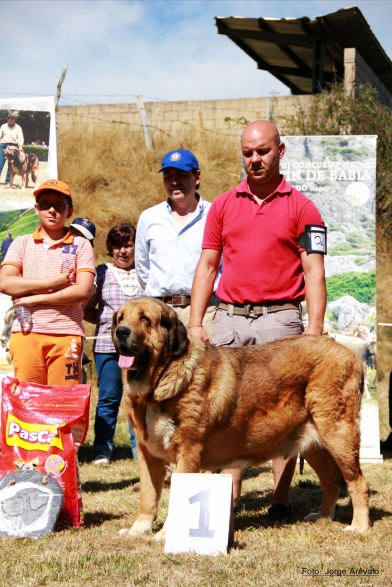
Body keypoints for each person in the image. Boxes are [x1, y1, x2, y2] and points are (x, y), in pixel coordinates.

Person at [189, 120, 327, 516]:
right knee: (228, 412)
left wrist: (313, 332)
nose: (255, 159)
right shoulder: (223, 205)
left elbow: (314, 271)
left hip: (280, 320)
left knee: (283, 411)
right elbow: (207, 264)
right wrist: (198, 322)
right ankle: (226, 503)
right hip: (229, 318)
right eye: (248, 153)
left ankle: (280, 500)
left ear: (280, 152)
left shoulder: (303, 206)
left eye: (263, 151)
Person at [0, 179, 95, 385]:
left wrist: (35, 299)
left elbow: (83, 291)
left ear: (69, 211)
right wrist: (51, 282)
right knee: (28, 405)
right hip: (26, 334)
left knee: (62, 406)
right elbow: (6, 283)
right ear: (36, 208)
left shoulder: (81, 245)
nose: (52, 210)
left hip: (67, 334)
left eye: (59, 205)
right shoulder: (20, 243)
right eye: (45, 204)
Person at [135, 149, 219, 337]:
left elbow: (223, 265)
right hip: (159, 313)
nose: (174, 181)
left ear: (196, 177)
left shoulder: (215, 215)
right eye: (168, 175)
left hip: (204, 313)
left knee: (204, 367)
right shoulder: (149, 217)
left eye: (181, 175)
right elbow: (142, 269)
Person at [84, 223, 143, 465]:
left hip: (140, 350)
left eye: (128, 245)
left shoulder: (146, 272)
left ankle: (139, 450)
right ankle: (102, 449)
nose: (123, 251)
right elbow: (88, 309)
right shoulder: (102, 272)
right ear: (111, 249)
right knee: (108, 397)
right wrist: (106, 324)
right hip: (107, 348)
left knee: (139, 398)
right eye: (118, 246)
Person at [0, 113, 24, 187]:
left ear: (14, 120)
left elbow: (20, 138)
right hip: (3, 145)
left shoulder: (18, 128)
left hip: (14, 147)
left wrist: (20, 146)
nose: (11, 122)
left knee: (11, 166)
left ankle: (8, 182)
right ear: (8, 120)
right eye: (10, 121)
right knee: (0, 163)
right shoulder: (3, 126)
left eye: (12, 121)